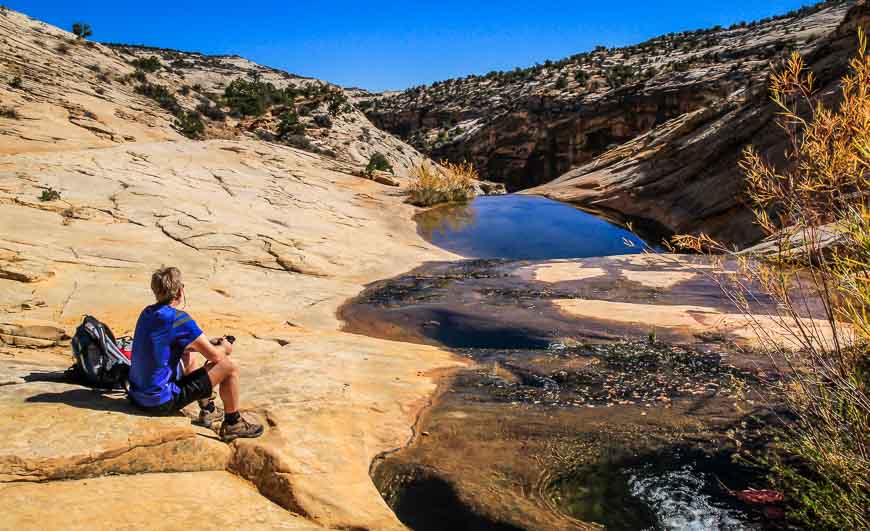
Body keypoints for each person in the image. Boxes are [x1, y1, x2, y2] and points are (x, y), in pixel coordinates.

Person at [128, 266, 263, 442]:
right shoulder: (179, 319)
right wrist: (225, 347)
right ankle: (233, 423)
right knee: (228, 367)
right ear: (180, 291)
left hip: (136, 394)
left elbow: (168, 343)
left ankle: (209, 410)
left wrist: (204, 344)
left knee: (189, 355)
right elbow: (215, 357)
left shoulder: (147, 312)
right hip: (158, 402)